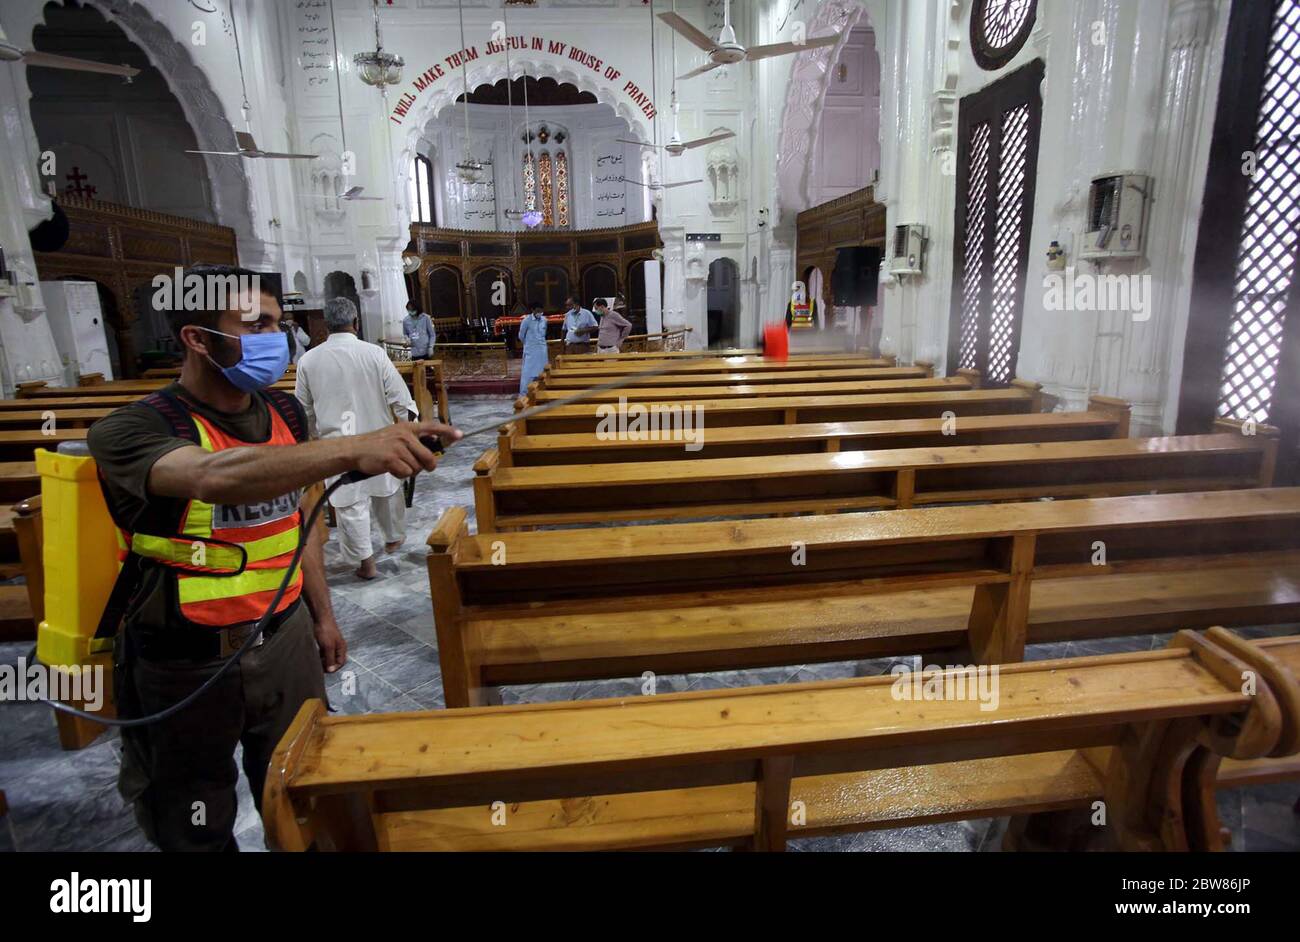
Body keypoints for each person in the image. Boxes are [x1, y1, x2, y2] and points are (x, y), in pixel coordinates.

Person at [87, 264, 461, 852]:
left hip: (284, 638)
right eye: (255, 324)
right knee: (192, 815)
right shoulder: (132, 429)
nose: (275, 337)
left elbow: (301, 520)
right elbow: (212, 476)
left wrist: (322, 616)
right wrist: (353, 447)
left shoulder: (285, 414)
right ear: (197, 337)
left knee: (304, 792)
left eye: (279, 323)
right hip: (185, 657)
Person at [296, 298, 418, 580]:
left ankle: (366, 563)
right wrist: (410, 427)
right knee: (386, 491)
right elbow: (401, 399)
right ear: (356, 323)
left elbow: (302, 409)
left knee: (350, 505)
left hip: (337, 445)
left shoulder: (308, 359)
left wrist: (310, 437)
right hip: (378, 438)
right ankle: (393, 537)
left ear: (327, 325)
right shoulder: (374, 353)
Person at [518, 301, 550, 395]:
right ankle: (525, 393)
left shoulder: (544, 320)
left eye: (541, 310)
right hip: (531, 351)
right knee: (528, 373)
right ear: (532, 310)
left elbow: (544, 333)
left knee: (542, 371)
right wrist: (529, 344)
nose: (540, 312)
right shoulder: (526, 320)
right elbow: (521, 336)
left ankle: (542, 392)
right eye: (538, 310)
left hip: (542, 350)